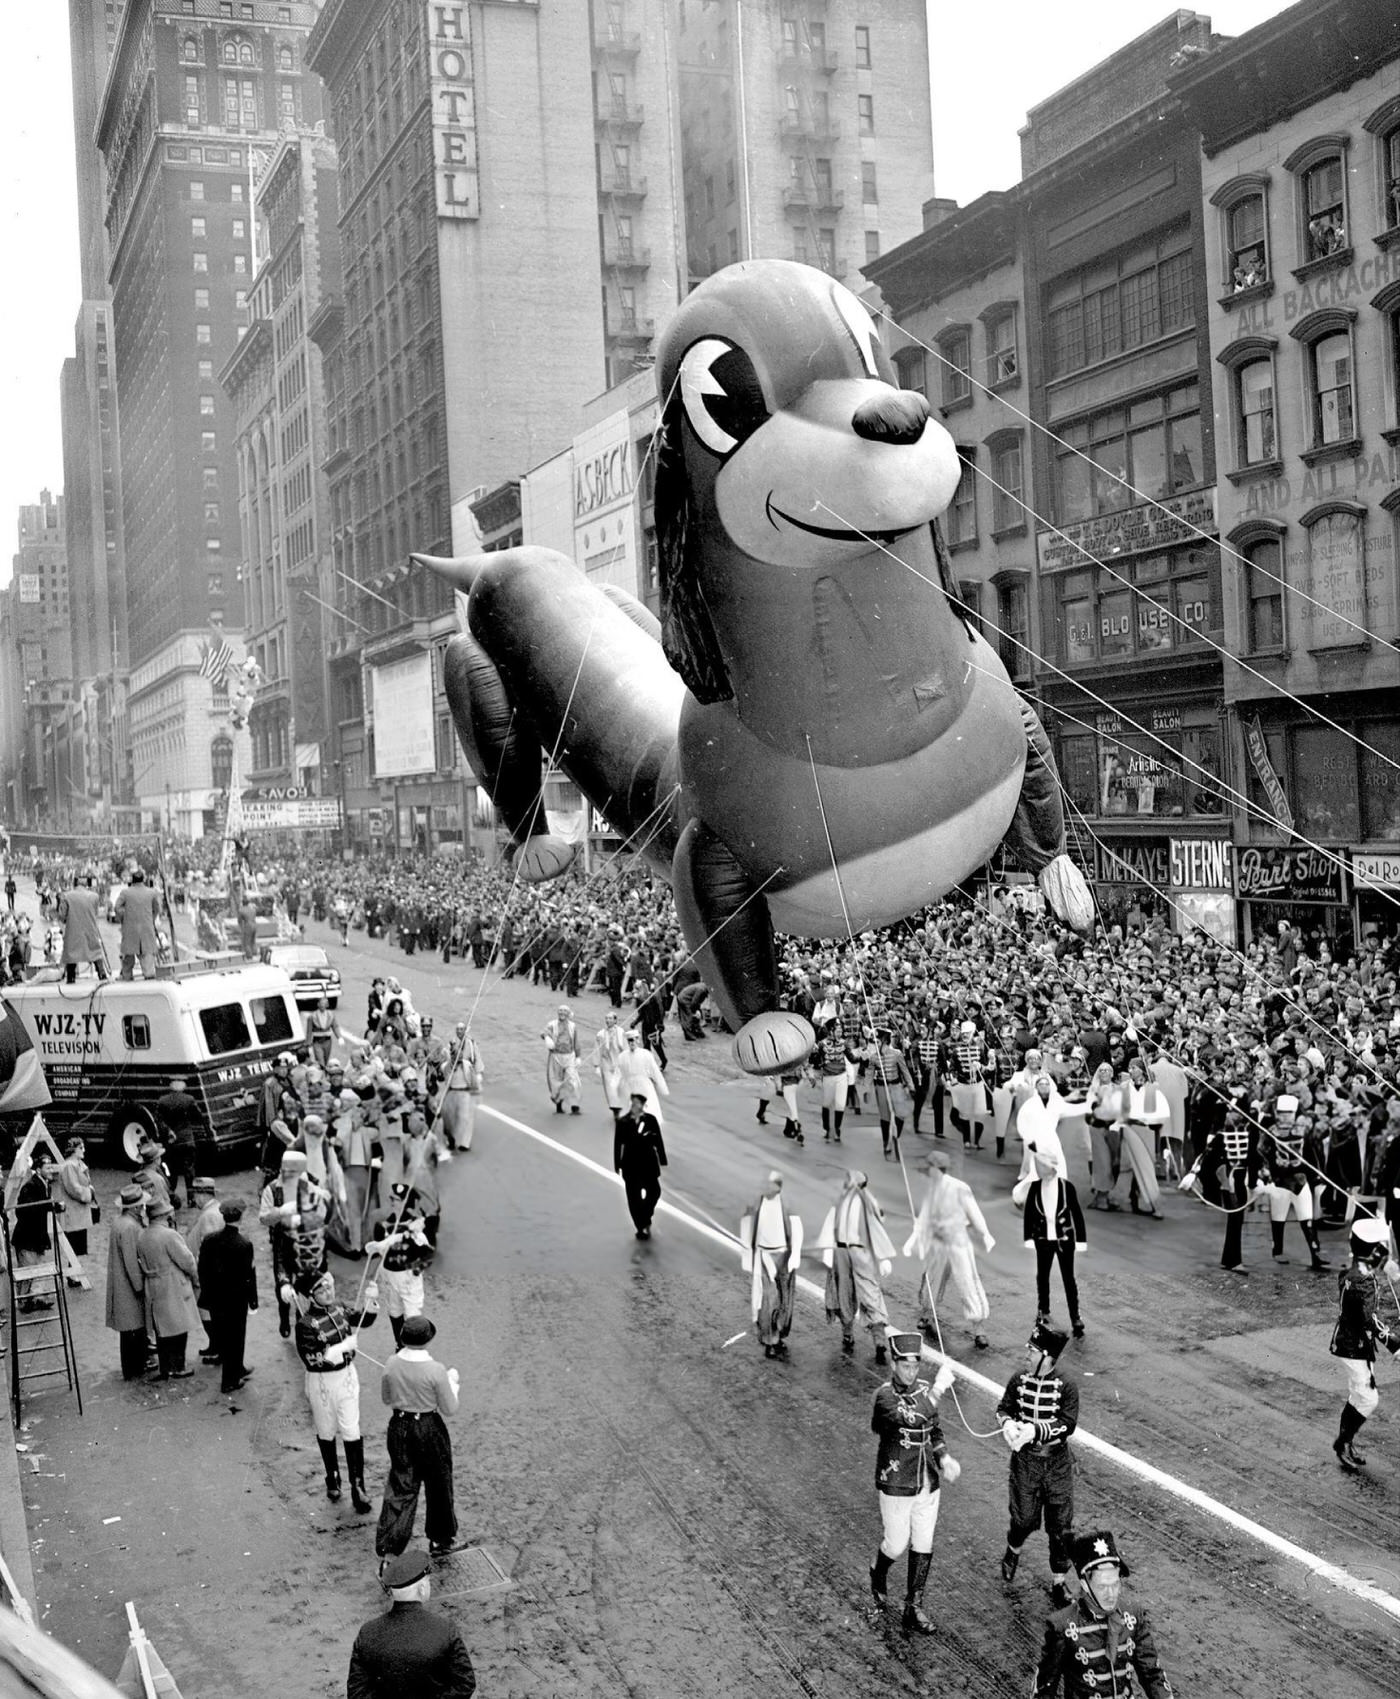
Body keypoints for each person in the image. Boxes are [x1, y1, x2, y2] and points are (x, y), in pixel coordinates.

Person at [868, 1329, 959, 1635]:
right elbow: (910, 1419)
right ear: (893, 1364)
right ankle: (878, 1570)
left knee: (923, 1542)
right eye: (905, 1366)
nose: (911, 1372)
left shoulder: (923, 1390)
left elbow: (933, 1429)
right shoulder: (884, 1397)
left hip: (925, 1482)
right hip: (897, 1482)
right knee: (896, 1543)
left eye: (915, 1366)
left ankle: (914, 1606)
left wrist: (944, 1458)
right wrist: (937, 1392)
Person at [1033, 1529, 1175, 1698]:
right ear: (1085, 1585)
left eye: (1115, 1584)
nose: (1111, 1594)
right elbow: (1044, 1688)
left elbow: (1152, 1674)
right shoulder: (1062, 1625)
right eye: (1102, 1587)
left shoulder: (1133, 1615)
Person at [998, 1321, 1079, 1603]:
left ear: (1047, 1357)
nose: (1027, 1355)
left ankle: (1059, 1581)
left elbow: (1068, 1424)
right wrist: (1008, 1424)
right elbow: (1004, 1408)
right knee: (1024, 1519)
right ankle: (1013, 1548)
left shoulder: (1066, 1385)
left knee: (1061, 1526)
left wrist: (1037, 1430)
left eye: (1032, 1351)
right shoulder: (1019, 1379)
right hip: (1026, 1462)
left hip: (1056, 1463)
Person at [375, 1314, 466, 1564]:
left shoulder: (392, 1363)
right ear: (428, 1339)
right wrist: (453, 1383)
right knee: (439, 1483)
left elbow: (386, 1398)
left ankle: (390, 1551)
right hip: (428, 1428)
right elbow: (450, 1408)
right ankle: (441, 1537)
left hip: (400, 1426)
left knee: (401, 1487)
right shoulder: (435, 1370)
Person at [287, 1268, 378, 1513]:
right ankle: (332, 1476)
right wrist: (340, 1348)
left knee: (351, 1429)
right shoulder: (305, 1324)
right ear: (311, 1294)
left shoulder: (339, 1307)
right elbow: (311, 1359)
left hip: (347, 1377)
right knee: (326, 1430)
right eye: (321, 1289)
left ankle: (358, 1487)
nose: (327, 1292)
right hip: (322, 1383)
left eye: (328, 1286)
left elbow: (362, 1320)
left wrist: (372, 1302)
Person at [347, 1547, 477, 1699]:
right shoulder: (445, 1629)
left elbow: (356, 1692)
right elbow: (465, 1683)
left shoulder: (368, 1632)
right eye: (428, 1581)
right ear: (422, 1589)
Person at [903, 1150, 995, 1351]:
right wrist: (912, 1241)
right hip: (938, 1241)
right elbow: (924, 1219)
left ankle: (979, 1328)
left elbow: (974, 1213)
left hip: (958, 1240)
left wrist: (985, 1233)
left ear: (937, 1168)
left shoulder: (960, 1188)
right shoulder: (932, 1190)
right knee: (932, 1278)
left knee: (967, 1281)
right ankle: (927, 1312)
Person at [1330, 1215, 1400, 1470]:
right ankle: (1343, 1442)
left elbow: (1369, 1262)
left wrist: (1386, 1266)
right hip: (1354, 1346)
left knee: (1358, 1394)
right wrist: (1394, 1344)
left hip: (1349, 1342)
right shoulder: (1364, 1282)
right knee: (1368, 1399)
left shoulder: (1354, 1270)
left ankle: (1345, 1442)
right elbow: (1369, 1320)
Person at [814, 1169, 896, 1362]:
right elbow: (830, 1225)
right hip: (841, 1250)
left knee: (870, 1293)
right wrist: (827, 1249)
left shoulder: (868, 1203)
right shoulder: (840, 1202)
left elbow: (877, 1226)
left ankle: (878, 1339)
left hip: (861, 1251)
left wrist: (883, 1257)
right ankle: (847, 1331)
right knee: (844, 1291)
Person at [1014, 1149, 1088, 1339]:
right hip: (1043, 1239)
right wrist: (1029, 1237)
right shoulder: (1035, 1188)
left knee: (1068, 1279)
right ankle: (1043, 1311)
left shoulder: (1066, 1187)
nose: (1038, 1171)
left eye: (1041, 1167)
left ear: (1051, 1169)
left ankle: (1075, 1316)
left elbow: (1077, 1215)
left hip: (1064, 1239)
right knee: (1043, 1276)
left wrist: (1080, 1240)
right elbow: (1029, 1213)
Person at [739, 1169, 803, 1359]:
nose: (765, 1187)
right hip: (765, 1255)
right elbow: (746, 1225)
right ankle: (770, 1340)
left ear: (778, 1187)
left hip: (784, 1255)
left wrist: (795, 1255)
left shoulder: (787, 1204)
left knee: (785, 1300)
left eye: (770, 1184)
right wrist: (747, 1255)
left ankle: (779, 1333)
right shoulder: (756, 1203)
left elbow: (797, 1228)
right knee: (769, 1299)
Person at [136, 1196, 201, 1378]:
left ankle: (165, 1367)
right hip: (172, 1284)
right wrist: (196, 1279)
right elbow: (187, 1260)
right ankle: (178, 1366)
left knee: (161, 1329)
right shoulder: (169, 1235)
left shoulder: (143, 1235)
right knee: (180, 1326)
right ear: (164, 1215)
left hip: (153, 1284)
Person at [197, 1200, 258, 1394]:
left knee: (223, 1334)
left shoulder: (210, 1240)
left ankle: (236, 1369)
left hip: (215, 1297)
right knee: (236, 1337)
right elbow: (249, 1276)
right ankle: (230, 1381)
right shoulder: (244, 1244)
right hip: (236, 1300)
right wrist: (253, 1300)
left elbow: (202, 1270)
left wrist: (206, 1292)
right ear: (241, 1217)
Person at [372, 1184, 434, 1347]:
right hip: (390, 1277)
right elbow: (381, 1251)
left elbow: (427, 1255)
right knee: (394, 1312)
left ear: (405, 1202)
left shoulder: (415, 1227)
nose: (391, 1201)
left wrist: (415, 1272)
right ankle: (400, 1344)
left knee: (413, 1316)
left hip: (407, 1280)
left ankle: (416, 1348)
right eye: (391, 1198)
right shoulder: (385, 1225)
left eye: (395, 1199)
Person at [106, 1184, 153, 1378]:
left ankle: (136, 1365)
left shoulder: (120, 1222)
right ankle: (134, 1368)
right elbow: (132, 1261)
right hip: (129, 1286)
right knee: (133, 1328)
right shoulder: (131, 1227)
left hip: (121, 1282)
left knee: (129, 1330)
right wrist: (140, 1286)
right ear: (135, 1208)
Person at [613, 1089, 668, 1240]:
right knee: (634, 1198)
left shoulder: (651, 1120)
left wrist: (662, 1158)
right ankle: (640, 1226)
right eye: (633, 1103)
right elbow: (618, 1144)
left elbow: (658, 1140)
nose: (634, 1106)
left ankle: (645, 1216)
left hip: (648, 1163)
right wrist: (617, 1164)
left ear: (643, 1105)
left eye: (637, 1103)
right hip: (630, 1165)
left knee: (655, 1191)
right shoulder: (623, 1122)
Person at [12, 1153, 61, 1311]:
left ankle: (36, 1298)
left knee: (38, 1266)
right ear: (38, 1170)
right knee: (28, 1269)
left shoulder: (44, 1185)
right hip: (27, 1236)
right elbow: (25, 1209)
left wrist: (51, 1206)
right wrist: (51, 1205)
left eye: (51, 1167)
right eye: (47, 1168)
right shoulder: (31, 1186)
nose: (50, 1170)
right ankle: (23, 1301)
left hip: (36, 1235)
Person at [155, 1076, 203, 1210]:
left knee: (172, 1170)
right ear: (182, 1086)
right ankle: (191, 1199)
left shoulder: (163, 1101)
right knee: (189, 1169)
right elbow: (198, 1116)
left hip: (171, 1142)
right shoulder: (189, 1099)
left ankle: (171, 1196)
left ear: (171, 1085)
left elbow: (158, 1120)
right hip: (187, 1139)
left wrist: (168, 1130)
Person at [439, 1022, 482, 1152]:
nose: (457, 1056)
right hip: (451, 1093)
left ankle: (464, 1143)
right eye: (454, 1054)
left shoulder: (467, 1064)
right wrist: (451, 1061)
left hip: (465, 1093)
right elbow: (445, 1074)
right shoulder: (447, 1066)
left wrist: (476, 1095)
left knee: (465, 1118)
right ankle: (451, 1139)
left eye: (459, 1053)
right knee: (449, 1119)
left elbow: (474, 1080)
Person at [56, 1136, 96, 1271]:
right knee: (74, 1246)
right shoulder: (69, 1166)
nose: (83, 1150)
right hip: (73, 1213)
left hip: (79, 1212)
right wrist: (89, 1192)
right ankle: (73, 1275)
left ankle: (75, 1273)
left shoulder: (77, 1165)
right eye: (81, 1148)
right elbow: (74, 1188)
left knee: (78, 1247)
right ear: (73, 1150)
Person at [114, 867, 160, 980]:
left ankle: (127, 976)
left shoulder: (125, 893)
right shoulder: (151, 893)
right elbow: (157, 909)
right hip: (146, 928)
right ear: (143, 880)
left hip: (130, 928)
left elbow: (117, 907)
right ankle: (149, 974)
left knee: (128, 956)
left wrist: (124, 918)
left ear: (132, 880)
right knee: (147, 954)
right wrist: (151, 919)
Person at [57, 874, 106, 981]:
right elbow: (95, 913)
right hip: (90, 929)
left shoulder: (66, 896)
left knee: (71, 954)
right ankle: (102, 974)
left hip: (73, 931)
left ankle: (71, 978)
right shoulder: (94, 896)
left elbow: (62, 916)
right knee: (95, 951)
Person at [616, 1026, 669, 1124]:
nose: (632, 1042)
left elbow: (655, 1072)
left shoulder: (646, 1054)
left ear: (638, 1040)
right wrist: (617, 1088)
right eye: (630, 1040)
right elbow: (618, 1074)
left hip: (644, 1085)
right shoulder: (622, 1056)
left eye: (634, 1039)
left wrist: (662, 1087)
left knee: (648, 1108)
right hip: (629, 1086)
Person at [543, 1004, 583, 1114]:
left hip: (569, 1056)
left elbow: (576, 1042)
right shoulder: (552, 1024)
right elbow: (544, 1032)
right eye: (560, 1011)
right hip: (556, 1056)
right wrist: (547, 1037)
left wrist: (578, 1056)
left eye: (565, 1011)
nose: (562, 1013)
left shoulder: (573, 1026)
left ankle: (575, 1106)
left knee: (572, 1080)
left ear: (568, 1013)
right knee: (556, 1081)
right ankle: (559, 1104)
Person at [591, 1011, 629, 1121]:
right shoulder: (601, 1034)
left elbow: (626, 1048)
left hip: (619, 1063)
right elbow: (596, 1050)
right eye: (606, 1018)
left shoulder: (621, 1032)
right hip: (606, 1063)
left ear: (615, 1020)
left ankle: (624, 1107)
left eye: (610, 1018)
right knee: (610, 1087)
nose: (608, 1021)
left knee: (621, 1086)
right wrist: (596, 1065)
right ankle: (616, 1109)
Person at [307, 996, 341, 1069]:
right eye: (321, 1003)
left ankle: (324, 1074)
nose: (323, 1005)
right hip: (317, 1041)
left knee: (325, 1060)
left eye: (324, 1004)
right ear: (318, 1004)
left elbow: (335, 1026)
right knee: (320, 1062)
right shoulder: (312, 1016)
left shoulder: (331, 1015)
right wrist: (308, 1044)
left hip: (327, 1041)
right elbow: (309, 1031)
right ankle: (322, 1072)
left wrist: (339, 1037)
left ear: (327, 1005)